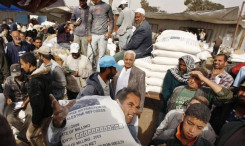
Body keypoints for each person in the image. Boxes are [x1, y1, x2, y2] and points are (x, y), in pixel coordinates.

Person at [47, 88, 141, 145]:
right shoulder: (98, 120)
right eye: (130, 104)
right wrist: (57, 124)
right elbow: (53, 142)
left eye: (137, 107)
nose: (135, 111)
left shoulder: (131, 125)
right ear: (117, 103)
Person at [20, 52, 53, 146]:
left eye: (22, 64)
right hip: (48, 112)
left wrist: (35, 122)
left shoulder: (34, 81)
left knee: (30, 136)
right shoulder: (43, 74)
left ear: (28, 64)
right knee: (45, 136)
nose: (21, 67)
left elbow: (38, 105)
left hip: (43, 116)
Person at [167, 67, 233, 112]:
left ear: (202, 81)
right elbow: (169, 107)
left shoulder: (206, 93)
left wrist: (204, 78)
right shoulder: (178, 89)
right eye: (192, 77)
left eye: (197, 78)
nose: (192, 80)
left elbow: (227, 96)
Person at [4, 64, 31, 141]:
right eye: (15, 76)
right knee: (9, 118)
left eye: (18, 75)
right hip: (15, 102)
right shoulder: (9, 80)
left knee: (30, 114)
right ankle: (27, 132)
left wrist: (25, 102)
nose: (17, 77)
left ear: (22, 72)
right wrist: (8, 99)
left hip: (27, 100)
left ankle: (22, 135)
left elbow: (31, 94)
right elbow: (6, 93)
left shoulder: (28, 79)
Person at [87, 0, 114, 70]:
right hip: (93, 35)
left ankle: (98, 74)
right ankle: (89, 73)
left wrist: (109, 32)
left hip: (103, 35)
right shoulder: (91, 8)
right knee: (89, 55)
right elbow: (89, 21)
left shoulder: (107, 6)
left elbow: (111, 20)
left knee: (101, 56)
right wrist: (89, 34)